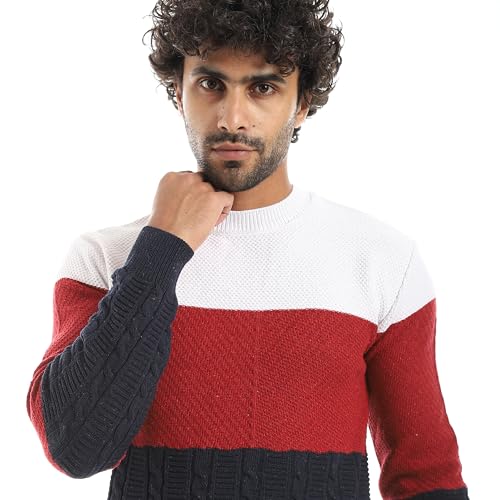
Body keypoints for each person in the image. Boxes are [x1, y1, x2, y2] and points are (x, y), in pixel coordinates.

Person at [26, 1, 470, 498]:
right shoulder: (107, 257)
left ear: (301, 103)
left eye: (263, 88)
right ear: (178, 93)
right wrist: (162, 250)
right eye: (210, 84)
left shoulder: (382, 260)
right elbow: (76, 447)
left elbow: (426, 477)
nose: (232, 118)